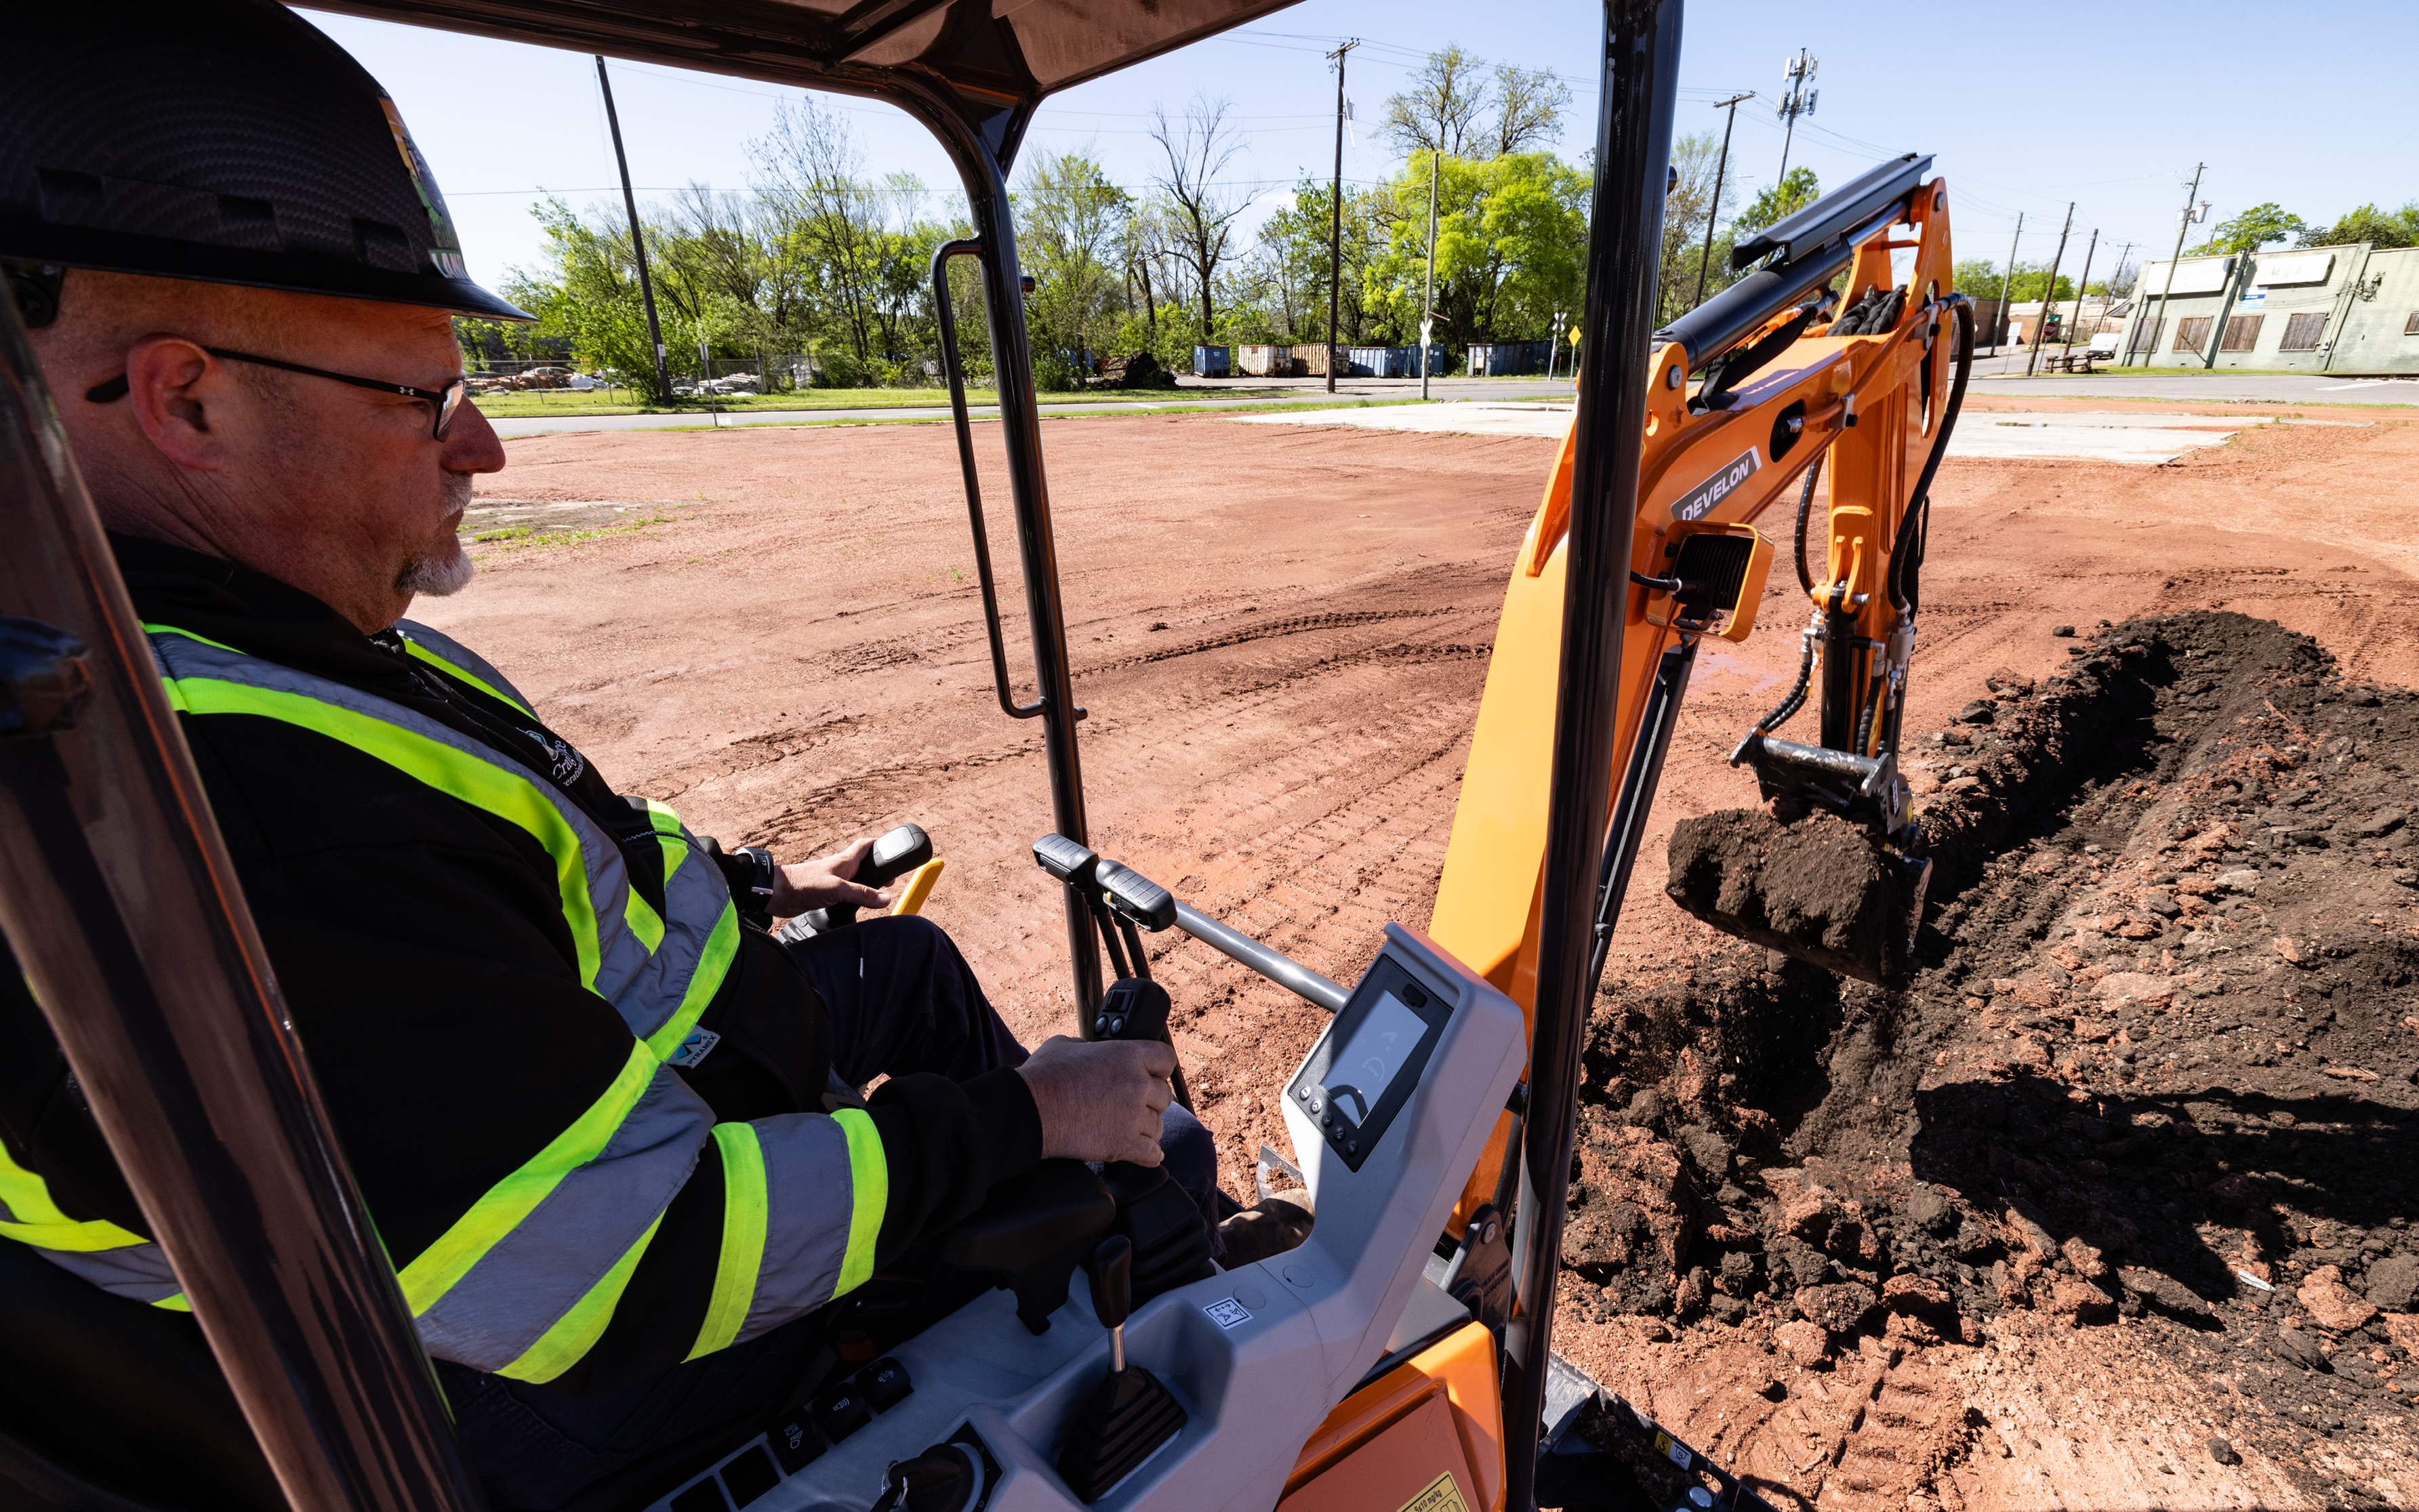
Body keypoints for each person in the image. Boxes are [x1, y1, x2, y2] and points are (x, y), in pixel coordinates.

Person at [0, 3, 1234, 1507]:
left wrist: (768, 889)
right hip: (523, 1372)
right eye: (426, 397)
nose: (483, 447)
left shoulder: (219, 645)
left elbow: (537, 859)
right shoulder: (255, 802)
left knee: (909, 974)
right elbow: (625, 1264)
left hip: (540, 1161)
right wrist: (1019, 1125)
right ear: (187, 396)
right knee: (1141, 1180)